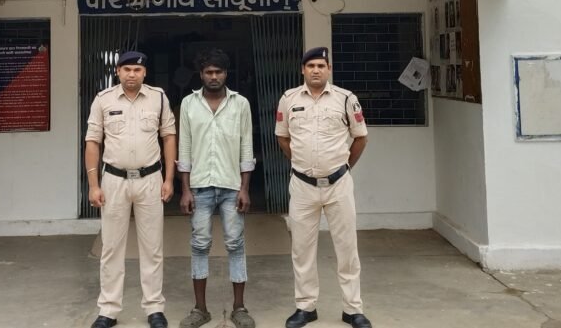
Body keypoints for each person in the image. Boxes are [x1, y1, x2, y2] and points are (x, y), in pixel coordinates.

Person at [275, 47, 372, 328]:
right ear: (302, 70)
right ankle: (305, 307)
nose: (316, 70)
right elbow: (283, 138)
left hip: (338, 184)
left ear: (329, 69)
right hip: (302, 186)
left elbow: (360, 138)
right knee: (302, 250)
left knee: (347, 248)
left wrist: (344, 167)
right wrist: (302, 163)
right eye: (311, 66)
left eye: (321, 65)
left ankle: (353, 309)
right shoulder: (288, 99)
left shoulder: (346, 99)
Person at [84, 51, 177, 328]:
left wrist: (169, 179)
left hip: (150, 180)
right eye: (126, 69)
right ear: (118, 71)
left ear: (144, 72)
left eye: (137, 70)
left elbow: (168, 137)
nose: (132, 74)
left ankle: (154, 308)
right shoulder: (103, 99)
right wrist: (93, 185)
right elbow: (92, 142)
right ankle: (108, 310)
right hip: (114, 180)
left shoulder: (158, 98)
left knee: (153, 248)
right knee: (112, 247)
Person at [177, 49, 257, 328]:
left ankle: (239, 308)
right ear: (201, 74)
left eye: (218, 72)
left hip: (231, 186)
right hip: (199, 187)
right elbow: (184, 148)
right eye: (209, 72)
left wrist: (244, 188)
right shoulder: (188, 104)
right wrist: (185, 189)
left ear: (226, 73)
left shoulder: (241, 104)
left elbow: (246, 147)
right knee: (199, 245)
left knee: (235, 244)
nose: (214, 76)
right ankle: (200, 309)